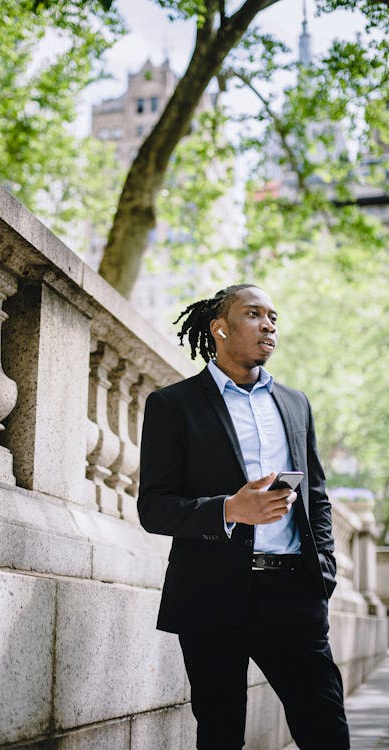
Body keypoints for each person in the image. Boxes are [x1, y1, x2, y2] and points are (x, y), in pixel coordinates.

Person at [138, 284, 349, 750]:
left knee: (325, 725)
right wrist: (231, 509)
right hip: (211, 595)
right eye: (254, 314)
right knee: (220, 732)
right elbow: (153, 508)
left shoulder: (295, 404)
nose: (269, 325)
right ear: (220, 329)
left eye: (273, 316)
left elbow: (316, 495)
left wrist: (324, 572)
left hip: (294, 594)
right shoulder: (173, 405)